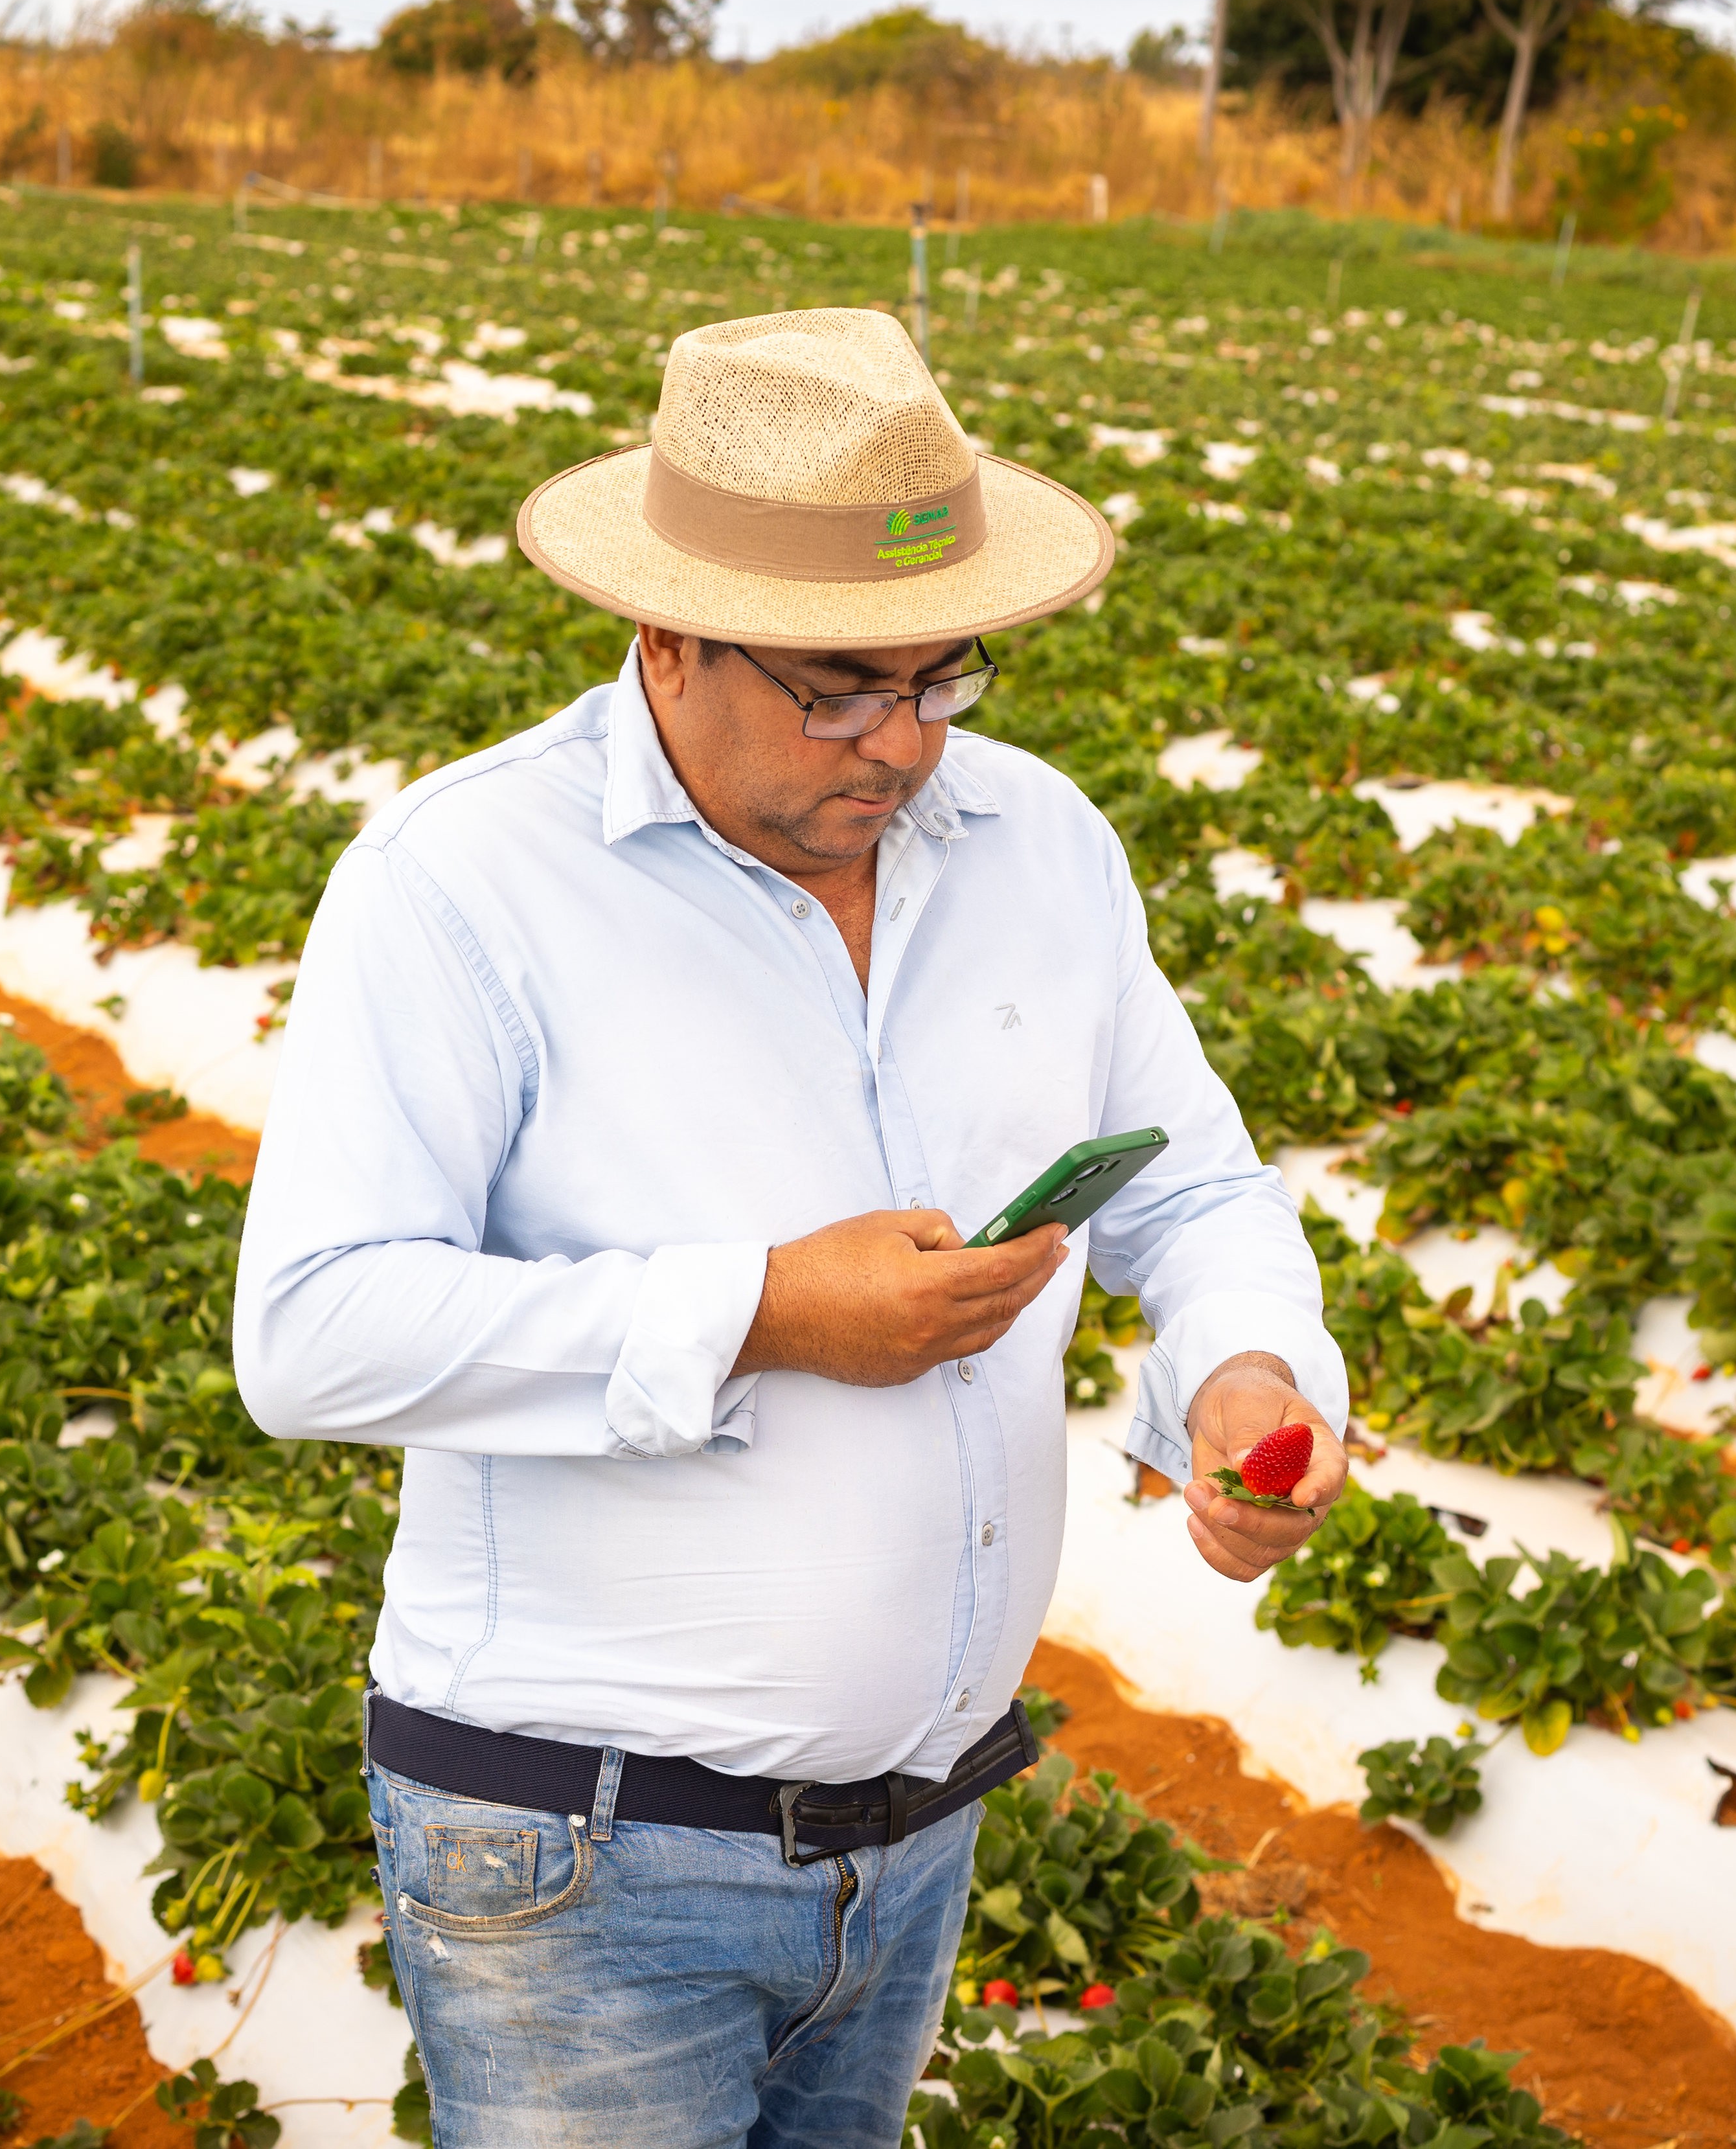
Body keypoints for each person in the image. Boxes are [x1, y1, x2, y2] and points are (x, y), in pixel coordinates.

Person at [231, 306, 1351, 2148]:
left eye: (947, 675)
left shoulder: (1042, 847)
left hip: (916, 1851)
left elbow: (1196, 1183)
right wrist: (759, 1310)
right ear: (667, 636)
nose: (903, 743)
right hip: (581, 1867)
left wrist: (1243, 1372)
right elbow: (318, 1329)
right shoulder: (462, 886)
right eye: (839, 686)